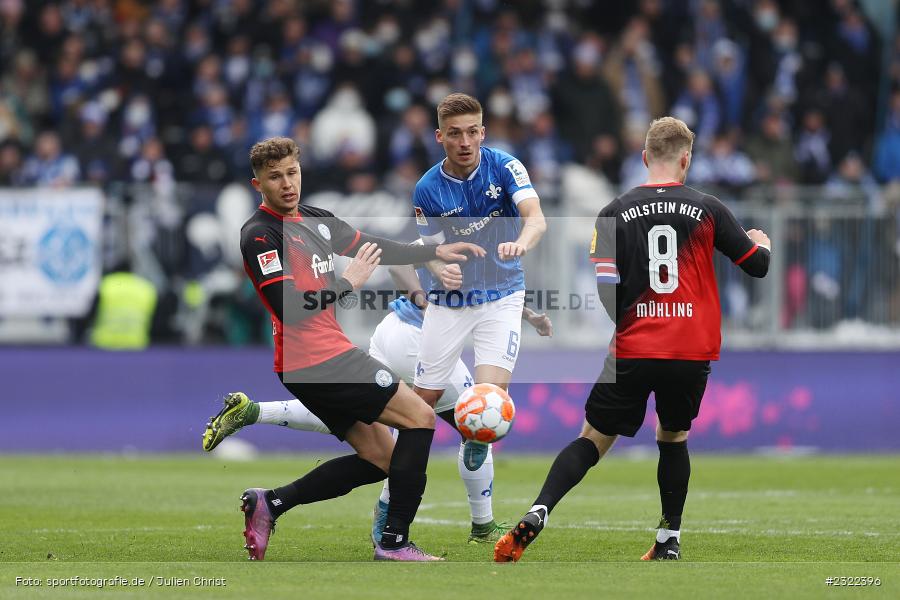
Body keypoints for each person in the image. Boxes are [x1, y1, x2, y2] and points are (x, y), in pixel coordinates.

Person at [494, 116, 771, 563]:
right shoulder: (708, 208)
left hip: (633, 346)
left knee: (592, 438)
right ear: (686, 160)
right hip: (688, 348)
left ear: (644, 158)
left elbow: (605, 287)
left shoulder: (613, 211)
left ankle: (538, 511)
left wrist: (630, 324)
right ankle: (668, 541)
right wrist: (762, 244)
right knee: (674, 436)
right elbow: (756, 266)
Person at [235, 136, 484, 562]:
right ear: (258, 184)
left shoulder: (314, 219)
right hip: (315, 360)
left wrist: (432, 251)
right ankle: (394, 543)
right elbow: (289, 308)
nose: (287, 184)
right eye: (274, 177)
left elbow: (374, 246)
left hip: (320, 358)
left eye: (291, 172)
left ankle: (271, 503)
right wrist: (348, 282)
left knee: (381, 458)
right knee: (420, 418)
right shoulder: (259, 236)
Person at [202, 261, 553, 545]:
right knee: (467, 424)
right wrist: (426, 303)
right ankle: (478, 525)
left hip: (391, 330)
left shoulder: (462, 233)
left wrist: (528, 314)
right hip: (416, 339)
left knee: (370, 422)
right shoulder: (458, 228)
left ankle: (255, 414)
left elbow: (489, 295)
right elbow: (401, 262)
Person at [410, 93, 547, 474]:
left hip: (502, 294)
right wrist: (439, 269)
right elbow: (429, 249)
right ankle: (395, 478)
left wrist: (521, 241)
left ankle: (475, 445)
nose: (465, 142)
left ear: (483, 132)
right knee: (424, 399)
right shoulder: (426, 189)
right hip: (449, 300)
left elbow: (535, 217)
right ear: (440, 137)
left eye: (472, 132)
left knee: (489, 397)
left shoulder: (505, 167)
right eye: (455, 134)